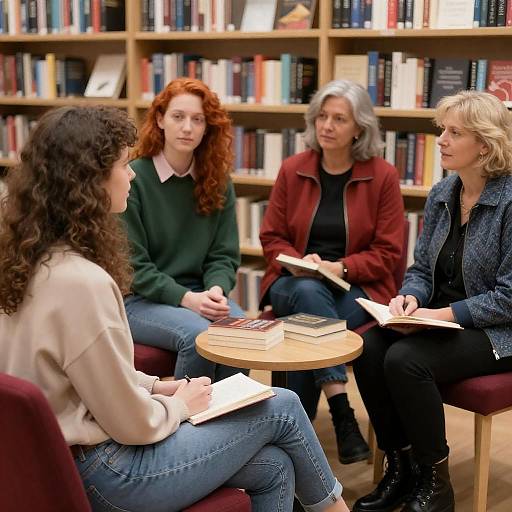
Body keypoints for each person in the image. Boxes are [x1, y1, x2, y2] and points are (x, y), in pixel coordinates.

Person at [0, 105, 353, 512]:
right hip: (109, 474)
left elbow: (85, 373)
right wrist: (181, 406)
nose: (132, 175)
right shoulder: (83, 282)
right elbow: (131, 424)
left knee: (273, 466)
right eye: (123, 165)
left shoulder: (27, 259)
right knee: (284, 406)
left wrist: (158, 387)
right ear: (89, 181)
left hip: (55, 464)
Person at [352, 90, 512, 512]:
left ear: (486, 143)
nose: (440, 139)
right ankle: (400, 467)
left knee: (406, 359)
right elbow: (422, 268)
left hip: (498, 331)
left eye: (454, 132)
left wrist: (438, 313)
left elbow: (509, 298)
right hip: (442, 319)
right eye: (442, 129)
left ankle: (435, 483)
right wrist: (408, 298)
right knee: (367, 348)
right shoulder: (443, 192)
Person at [260, 79, 405, 465]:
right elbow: (272, 237)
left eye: (339, 119)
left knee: (302, 327)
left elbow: (389, 252)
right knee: (307, 296)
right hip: (293, 281)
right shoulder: (293, 170)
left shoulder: (383, 176)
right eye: (322, 116)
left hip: (357, 288)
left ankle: (292, 452)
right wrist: (301, 262)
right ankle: (342, 411)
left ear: (359, 127)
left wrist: (340, 266)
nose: (326, 125)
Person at [122, 78, 245, 381]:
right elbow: (134, 267)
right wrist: (188, 299)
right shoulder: (133, 178)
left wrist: (216, 291)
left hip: (200, 293)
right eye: (178, 117)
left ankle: (234, 423)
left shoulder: (218, 180)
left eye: (197, 119)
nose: (188, 127)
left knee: (243, 333)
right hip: (139, 299)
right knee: (199, 336)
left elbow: (224, 255)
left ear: (207, 128)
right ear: (160, 119)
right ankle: (187, 423)